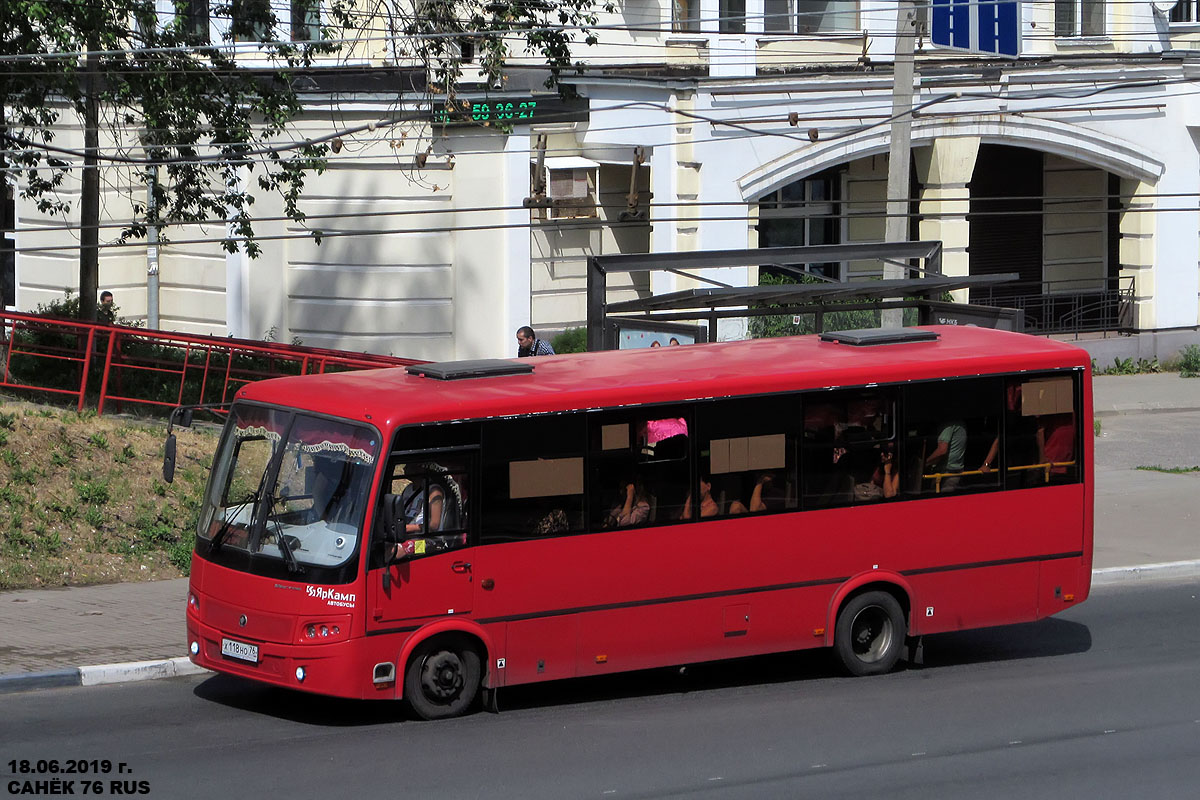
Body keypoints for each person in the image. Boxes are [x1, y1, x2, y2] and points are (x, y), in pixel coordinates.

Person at [925, 420, 967, 492]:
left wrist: (925, 463)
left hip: (946, 473)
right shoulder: (960, 423)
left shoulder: (948, 425)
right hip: (956, 471)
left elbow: (942, 451)